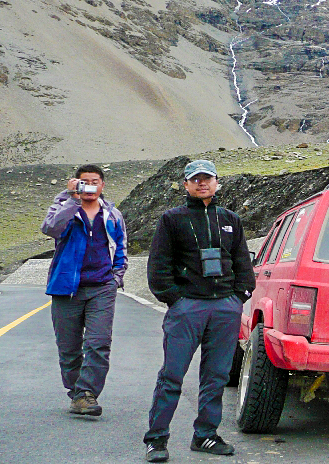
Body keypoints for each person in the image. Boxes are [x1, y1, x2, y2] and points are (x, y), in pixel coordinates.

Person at [143, 160, 254, 462]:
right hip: (187, 308)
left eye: (207, 178)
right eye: (196, 179)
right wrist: (174, 299)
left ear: (217, 182)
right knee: (172, 375)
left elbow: (242, 260)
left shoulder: (230, 219)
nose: (202, 184)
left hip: (225, 308)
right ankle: (156, 439)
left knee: (216, 375)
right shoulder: (172, 219)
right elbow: (159, 264)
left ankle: (205, 435)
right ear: (186, 185)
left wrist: (239, 297)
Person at [41, 164, 127, 417]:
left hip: (102, 287)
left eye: (95, 181)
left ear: (102, 185)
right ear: (75, 183)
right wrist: (71, 200)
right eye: (84, 182)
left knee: (99, 343)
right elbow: (51, 229)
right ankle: (77, 393)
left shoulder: (112, 214)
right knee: (68, 348)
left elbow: (121, 246)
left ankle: (87, 394)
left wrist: (116, 278)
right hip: (66, 289)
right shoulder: (64, 207)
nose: (90, 186)